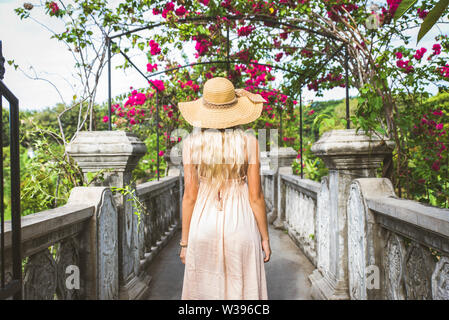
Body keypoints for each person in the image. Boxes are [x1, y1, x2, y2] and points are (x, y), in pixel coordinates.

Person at [177, 76, 271, 300]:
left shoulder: (191, 144)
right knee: (242, 289)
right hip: (241, 224)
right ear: (235, 110)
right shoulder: (250, 142)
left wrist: (184, 243)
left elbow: (190, 196)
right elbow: (256, 196)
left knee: (205, 291)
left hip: (203, 222)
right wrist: (265, 238)